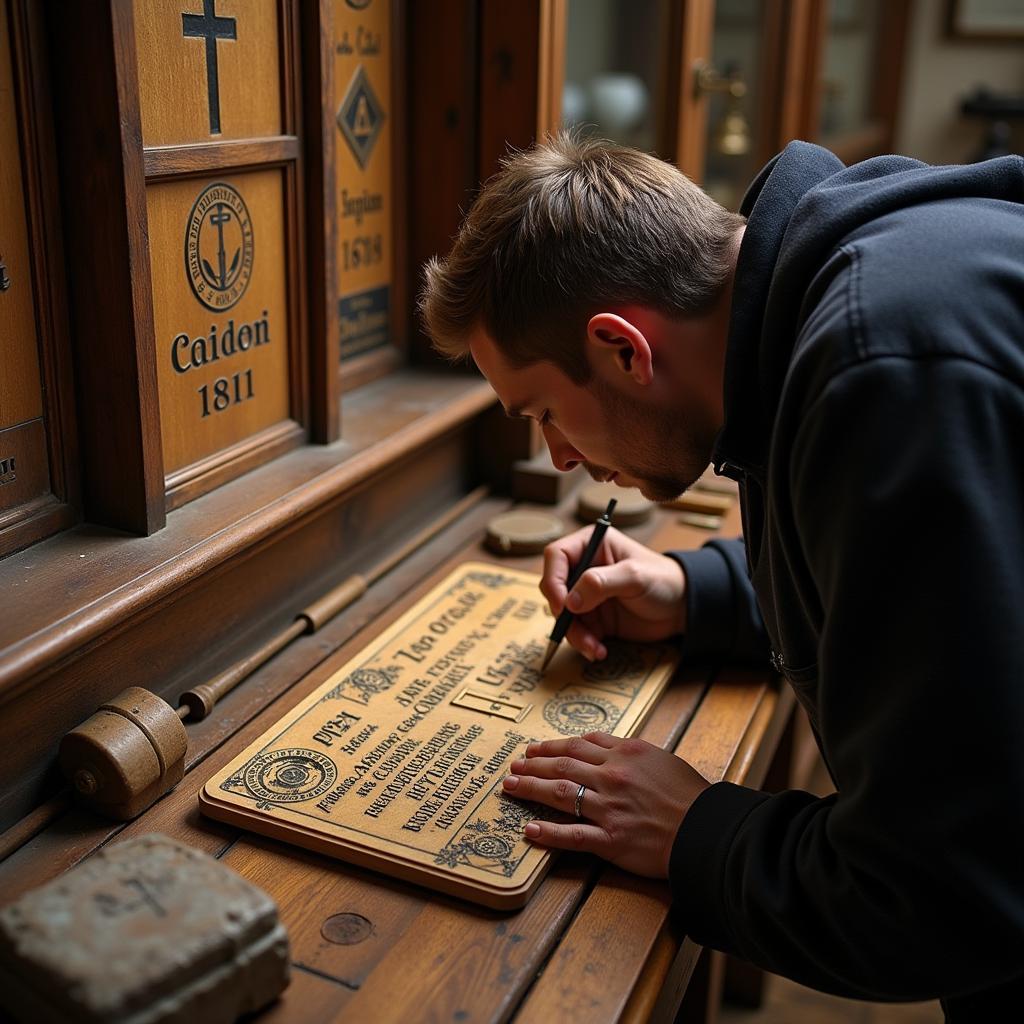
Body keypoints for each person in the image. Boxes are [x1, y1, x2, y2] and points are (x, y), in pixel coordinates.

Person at [419, 132, 1024, 1019]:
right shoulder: (842, 288)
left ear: (623, 348)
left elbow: (945, 895)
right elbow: (951, 592)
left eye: (545, 412)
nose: (559, 456)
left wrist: (698, 832)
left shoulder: (884, 369)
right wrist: (692, 593)